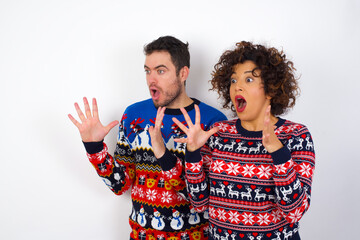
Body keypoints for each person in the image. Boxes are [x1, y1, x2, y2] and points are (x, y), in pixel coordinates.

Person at [68, 36, 227, 240]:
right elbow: (120, 185)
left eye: (161, 71)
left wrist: (164, 154)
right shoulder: (134, 115)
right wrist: (94, 147)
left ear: (183, 73)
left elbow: (210, 200)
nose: (151, 79)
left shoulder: (212, 122)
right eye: (147, 70)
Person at [172, 41, 315, 240]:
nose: (237, 86)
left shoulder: (296, 135)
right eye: (233, 80)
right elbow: (200, 204)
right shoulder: (218, 132)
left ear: (271, 90)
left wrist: (278, 151)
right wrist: (193, 152)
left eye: (248, 80)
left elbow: (295, 212)